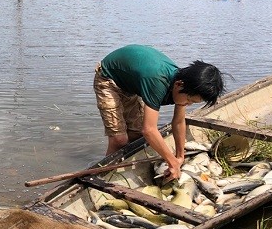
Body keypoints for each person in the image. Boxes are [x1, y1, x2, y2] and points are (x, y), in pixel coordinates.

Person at [93, 44, 225, 181]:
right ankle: (103, 176)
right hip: (108, 79)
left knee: (136, 136)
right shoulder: (157, 83)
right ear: (179, 84)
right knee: (119, 139)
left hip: (131, 84)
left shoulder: (183, 86)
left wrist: (180, 156)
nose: (188, 104)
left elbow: (179, 121)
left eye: (193, 103)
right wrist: (171, 161)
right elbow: (149, 130)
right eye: (189, 100)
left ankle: (119, 168)